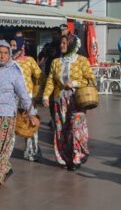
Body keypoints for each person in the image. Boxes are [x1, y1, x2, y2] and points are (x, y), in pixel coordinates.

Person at [0, 40, 37, 194]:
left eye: (5, 53)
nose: (2, 56)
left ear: (10, 54)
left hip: (5, 114)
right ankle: (5, 168)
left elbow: (23, 94)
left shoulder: (14, 71)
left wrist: (31, 113)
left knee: (0, 147)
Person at [43, 34, 95, 171]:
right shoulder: (56, 62)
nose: (62, 45)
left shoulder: (82, 60)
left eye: (65, 43)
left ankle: (77, 155)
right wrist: (45, 96)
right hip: (59, 100)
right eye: (61, 43)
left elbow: (91, 80)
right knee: (61, 130)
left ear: (72, 44)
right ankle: (65, 158)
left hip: (77, 99)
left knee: (76, 128)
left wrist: (76, 83)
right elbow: (50, 80)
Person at [11, 36, 44, 161]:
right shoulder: (8, 61)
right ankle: (7, 152)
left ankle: (31, 152)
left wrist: (36, 94)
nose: (12, 48)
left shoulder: (29, 60)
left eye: (15, 46)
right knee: (11, 125)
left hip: (27, 98)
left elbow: (40, 77)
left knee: (30, 124)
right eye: (11, 46)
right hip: (12, 99)